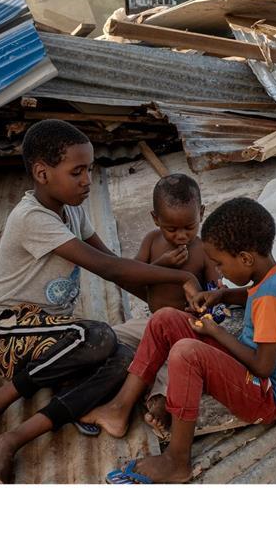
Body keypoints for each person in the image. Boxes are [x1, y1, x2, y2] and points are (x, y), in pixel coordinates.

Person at [0, 120, 202, 484]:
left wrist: (164, 312)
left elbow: (117, 273)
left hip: (56, 341)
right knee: (99, 337)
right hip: (7, 333)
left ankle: (8, 441)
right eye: (77, 171)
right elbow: (107, 264)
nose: (87, 180)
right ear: (42, 173)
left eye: (90, 169)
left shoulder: (72, 210)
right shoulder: (32, 217)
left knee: (129, 359)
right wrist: (181, 277)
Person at [85, 197, 276, 484]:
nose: (220, 271)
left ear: (245, 259)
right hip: (251, 374)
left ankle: (177, 460)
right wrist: (223, 294)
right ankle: (119, 408)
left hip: (267, 395)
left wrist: (216, 333)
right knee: (165, 318)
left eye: (220, 264)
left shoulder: (269, 299)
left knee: (186, 352)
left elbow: (263, 367)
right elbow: (252, 294)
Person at [112, 173, 223, 438]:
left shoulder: (204, 250)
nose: (181, 235)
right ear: (155, 219)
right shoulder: (152, 241)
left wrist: (212, 299)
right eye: (171, 229)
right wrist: (162, 264)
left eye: (189, 227)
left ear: (202, 213)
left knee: (172, 363)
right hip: (152, 325)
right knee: (112, 336)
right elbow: (133, 274)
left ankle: (161, 403)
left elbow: (216, 291)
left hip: (186, 328)